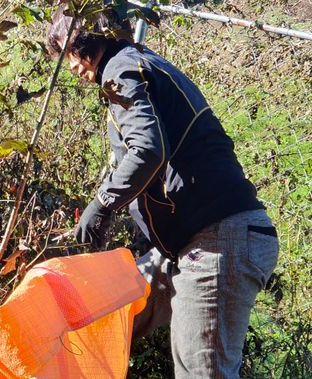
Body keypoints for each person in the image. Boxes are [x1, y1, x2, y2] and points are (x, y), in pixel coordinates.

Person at [46, 8, 280, 379]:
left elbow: (148, 151)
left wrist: (103, 203)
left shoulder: (121, 69)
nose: (71, 66)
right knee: (104, 319)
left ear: (86, 38)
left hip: (216, 242)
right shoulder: (137, 63)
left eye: (69, 51)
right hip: (190, 243)